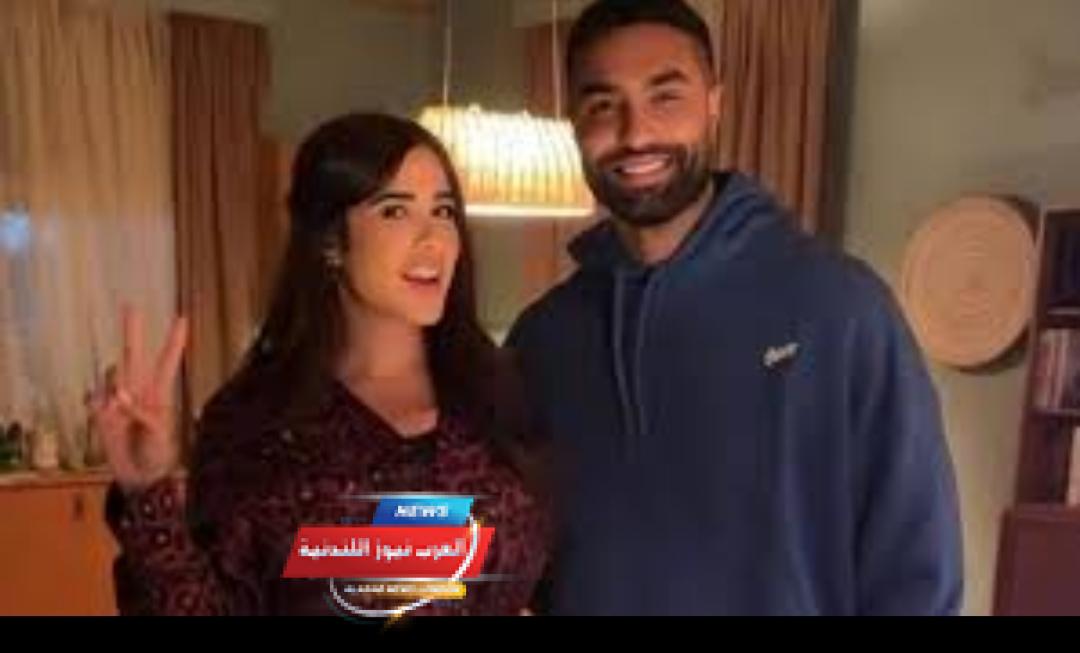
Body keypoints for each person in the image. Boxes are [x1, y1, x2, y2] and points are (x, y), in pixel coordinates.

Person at [508, 0, 963, 615]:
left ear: (715, 103)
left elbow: (918, 575)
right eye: (603, 105)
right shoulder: (543, 340)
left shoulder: (840, 310)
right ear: (573, 123)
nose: (636, 134)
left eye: (665, 97)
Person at [88, 113, 548, 616]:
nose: (433, 239)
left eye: (443, 211)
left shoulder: (503, 395)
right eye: (395, 211)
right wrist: (146, 491)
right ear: (330, 241)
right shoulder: (258, 426)